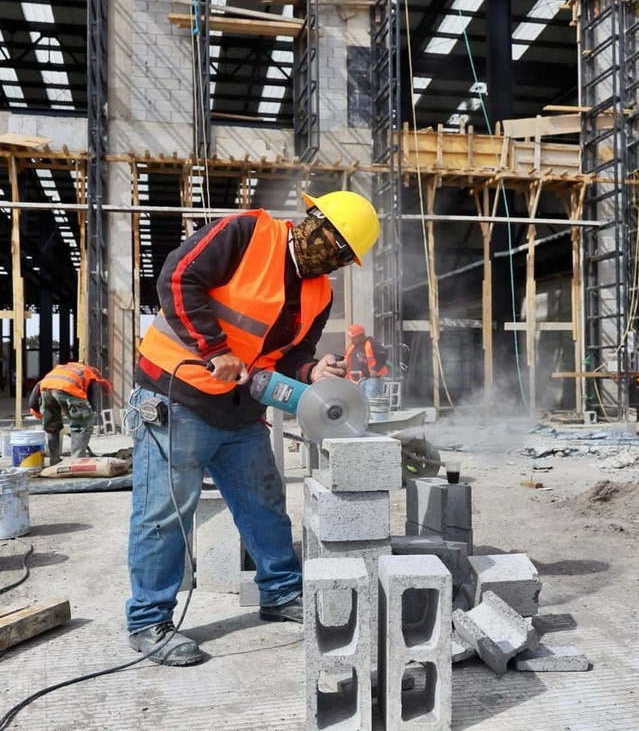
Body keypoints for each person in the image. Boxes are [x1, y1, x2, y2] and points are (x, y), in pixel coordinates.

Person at [125, 190, 379, 666]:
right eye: (331, 245)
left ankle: (280, 593)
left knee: (264, 503)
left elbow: (290, 355)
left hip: (240, 408)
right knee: (164, 514)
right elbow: (179, 278)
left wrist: (313, 371)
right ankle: (149, 620)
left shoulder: (319, 292)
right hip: (176, 394)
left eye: (343, 257)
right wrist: (214, 348)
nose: (332, 260)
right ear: (311, 222)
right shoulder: (245, 233)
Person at [27, 361, 111, 464]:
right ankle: (76, 461)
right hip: (68, 389)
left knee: (51, 427)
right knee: (81, 426)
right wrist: (88, 416)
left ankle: (54, 460)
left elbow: (36, 391)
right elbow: (92, 398)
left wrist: (37, 412)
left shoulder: (60, 370)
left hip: (46, 389)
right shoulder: (90, 374)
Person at [344, 324, 390, 400]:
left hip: (372, 379)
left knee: (370, 401)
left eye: (353, 338)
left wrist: (376, 369)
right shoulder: (352, 347)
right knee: (359, 402)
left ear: (360, 336)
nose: (352, 340)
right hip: (357, 380)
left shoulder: (372, 343)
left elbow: (383, 355)